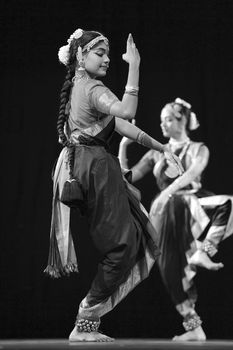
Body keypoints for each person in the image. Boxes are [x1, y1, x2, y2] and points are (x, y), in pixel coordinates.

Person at [44, 29, 183, 342]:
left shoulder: (82, 88)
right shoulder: (91, 87)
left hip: (92, 166)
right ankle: (85, 320)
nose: (106, 59)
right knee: (123, 246)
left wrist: (161, 148)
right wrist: (134, 65)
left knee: (133, 239)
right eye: (100, 53)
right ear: (80, 56)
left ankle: (87, 321)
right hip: (95, 168)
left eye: (108, 54)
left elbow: (121, 126)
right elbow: (127, 111)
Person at [118, 98, 233, 341]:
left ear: (181, 119)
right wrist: (124, 146)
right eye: (161, 121)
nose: (163, 125)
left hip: (189, 204)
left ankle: (205, 250)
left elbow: (192, 173)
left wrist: (167, 193)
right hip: (165, 217)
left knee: (228, 204)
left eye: (168, 119)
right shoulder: (155, 153)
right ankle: (194, 329)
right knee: (171, 270)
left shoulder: (198, 148)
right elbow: (127, 177)